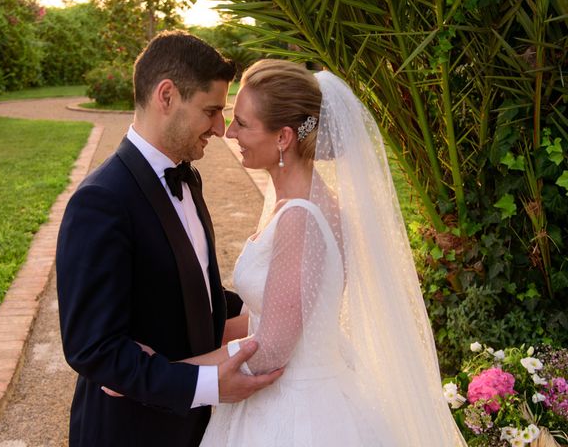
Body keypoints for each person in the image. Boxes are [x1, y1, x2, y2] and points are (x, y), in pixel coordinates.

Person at [176, 59, 468, 446]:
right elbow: (271, 316)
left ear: (283, 137)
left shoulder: (300, 217)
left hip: (297, 415)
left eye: (243, 124)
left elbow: (272, 349)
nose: (229, 132)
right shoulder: (308, 203)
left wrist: (169, 373)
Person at [55, 31, 282, 447]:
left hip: (193, 428)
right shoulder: (100, 202)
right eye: (211, 110)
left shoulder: (187, 177)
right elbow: (93, 350)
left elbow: (196, 291)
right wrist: (207, 384)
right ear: (166, 96)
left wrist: (278, 311)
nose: (221, 128)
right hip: (130, 431)